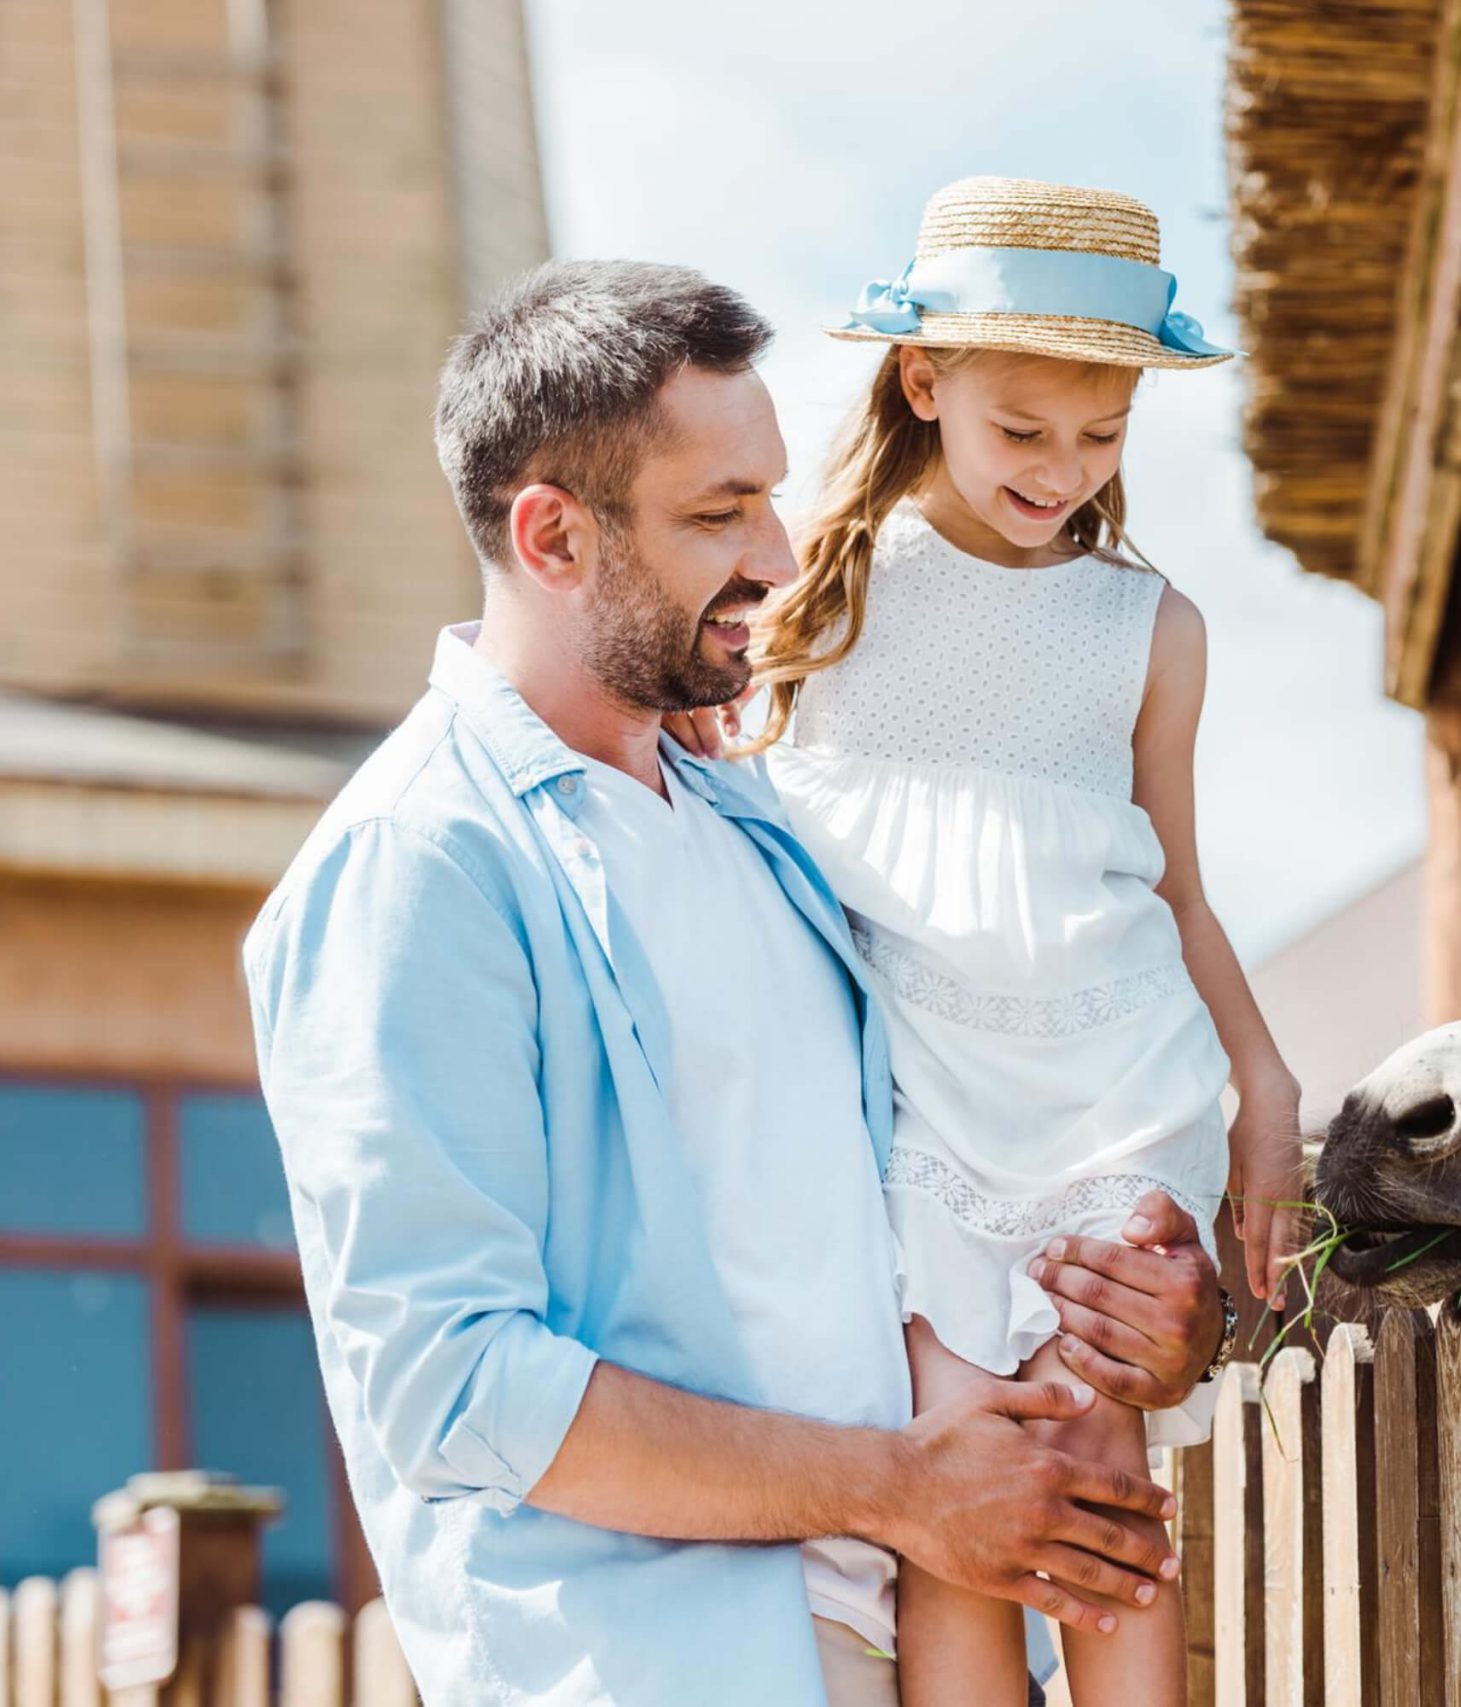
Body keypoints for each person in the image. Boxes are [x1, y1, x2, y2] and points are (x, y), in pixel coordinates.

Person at [244, 258, 1235, 1707]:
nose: (777, 553)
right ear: (553, 537)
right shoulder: (419, 866)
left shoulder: (761, 821)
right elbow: (447, 1385)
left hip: (911, 1645)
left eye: (768, 495)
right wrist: (897, 1487)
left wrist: (1154, 1308)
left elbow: (978, 1130)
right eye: (718, 515)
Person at [716, 176, 1304, 1705]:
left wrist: (1267, 1096)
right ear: (926, 382)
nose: (1063, 470)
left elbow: (1176, 887)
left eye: (1100, 435)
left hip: (1120, 1089)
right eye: (1021, 431)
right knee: (959, 1496)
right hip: (924, 1099)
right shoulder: (815, 603)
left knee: (1103, 1464)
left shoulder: (1149, 626)